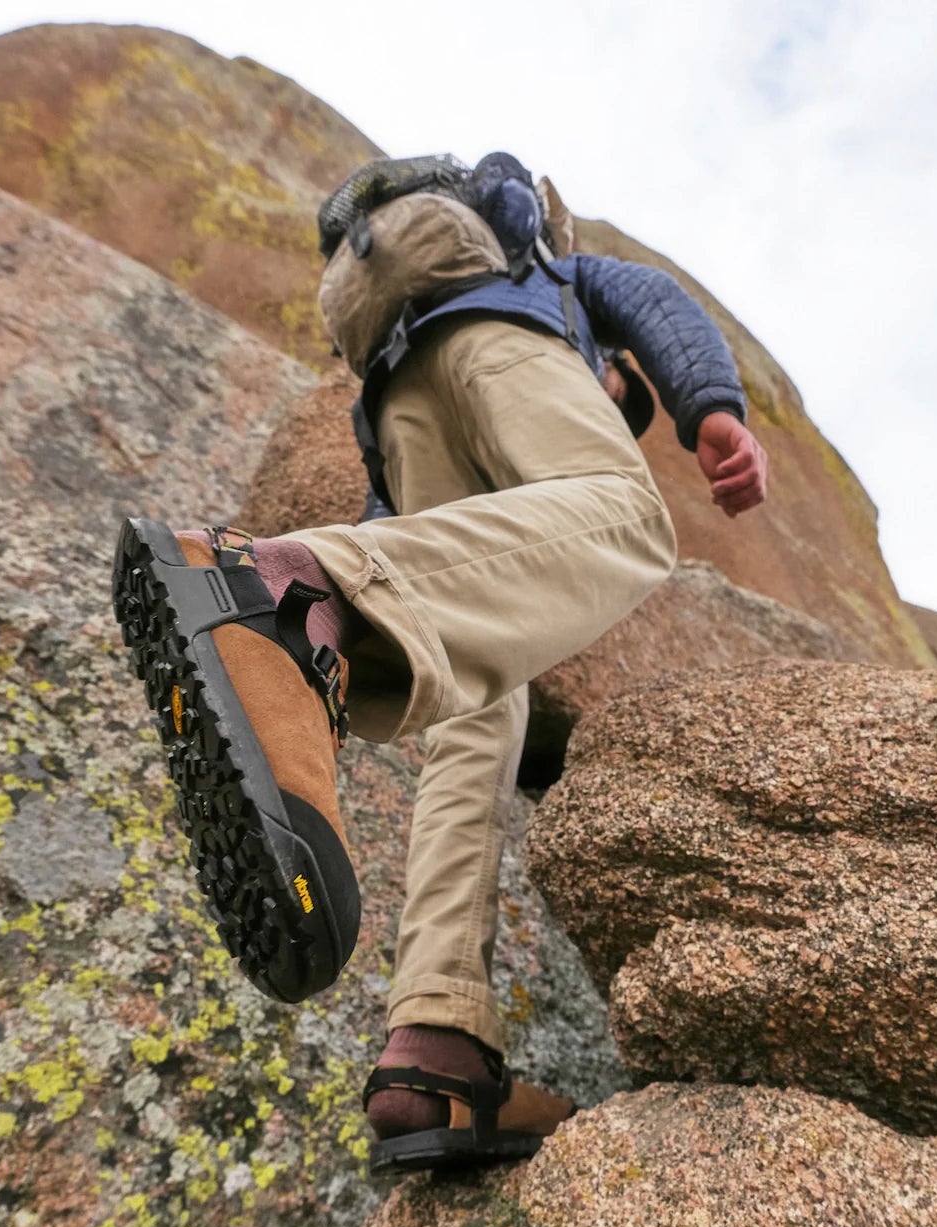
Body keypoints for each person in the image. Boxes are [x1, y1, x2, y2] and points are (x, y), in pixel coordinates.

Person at [112, 152, 767, 1173]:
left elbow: (414, 555)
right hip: (480, 340)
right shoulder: (545, 286)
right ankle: (283, 601)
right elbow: (651, 296)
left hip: (394, 387)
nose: (601, 399)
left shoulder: (424, 346)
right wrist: (708, 406)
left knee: (473, 704)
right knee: (625, 511)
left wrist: (371, 603)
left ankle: (437, 1045)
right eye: (608, 393)